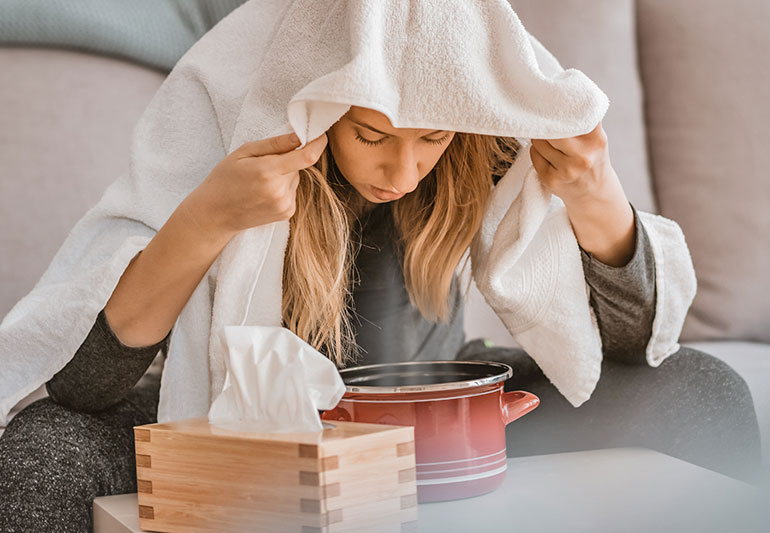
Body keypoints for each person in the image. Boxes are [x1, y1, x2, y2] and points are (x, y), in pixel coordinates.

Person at [0, 105, 761, 532]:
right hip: (246, 421)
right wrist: (202, 222)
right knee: (42, 447)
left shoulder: (485, 140)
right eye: (372, 135)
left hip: (438, 415)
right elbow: (81, 382)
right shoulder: (241, 119)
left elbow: (635, 346)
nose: (403, 172)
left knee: (700, 388)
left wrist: (599, 205)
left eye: (429, 139)